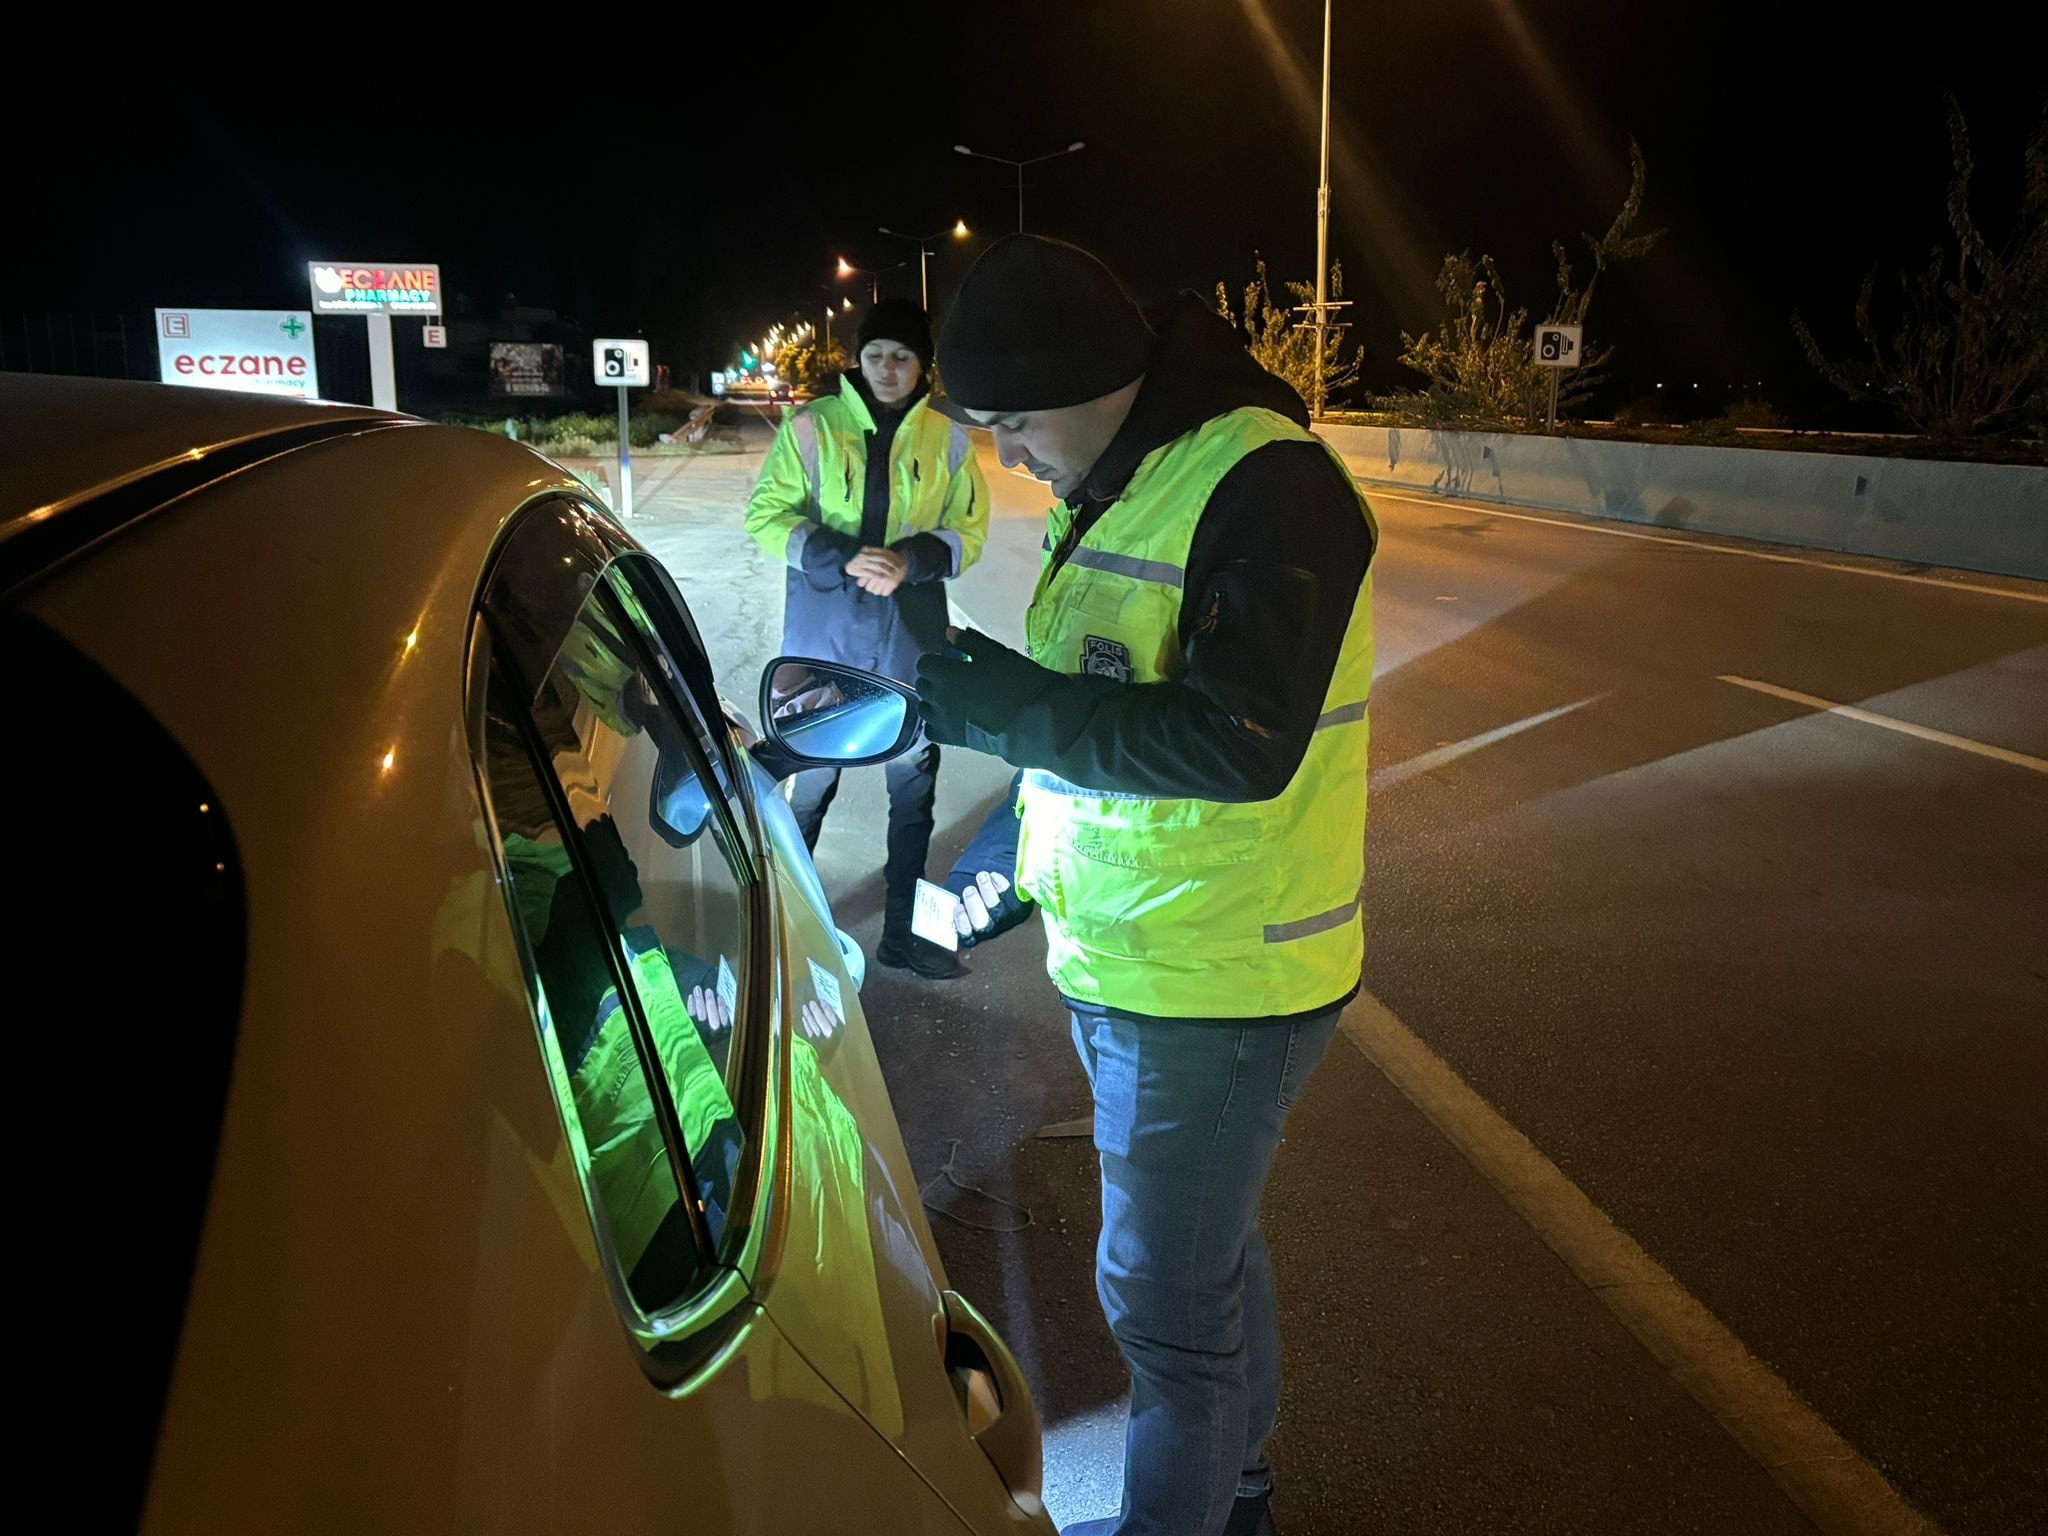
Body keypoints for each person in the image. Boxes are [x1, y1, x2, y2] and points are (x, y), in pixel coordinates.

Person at [914, 236, 1378, 1536]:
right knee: (1206, 1265)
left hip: (1221, 978)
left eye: (1014, 423)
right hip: (1146, 957)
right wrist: (999, 869)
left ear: (1085, 376)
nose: (1008, 456)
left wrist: (1011, 708)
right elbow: (1103, 716)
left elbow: (1238, 742)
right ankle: (1236, 1495)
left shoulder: (1268, 487)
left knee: (1164, 1312)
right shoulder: (1126, 476)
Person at [744, 299, 989, 978]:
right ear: (860, 359)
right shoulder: (811, 427)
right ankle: (786, 931)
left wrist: (910, 561)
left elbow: (969, 532)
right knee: (811, 784)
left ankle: (903, 935)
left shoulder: (949, 439)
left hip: (908, 640)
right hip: (825, 642)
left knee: (912, 794)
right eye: (876, 354)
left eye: (902, 356)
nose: (887, 368)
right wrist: (844, 555)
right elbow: (766, 516)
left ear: (922, 365)